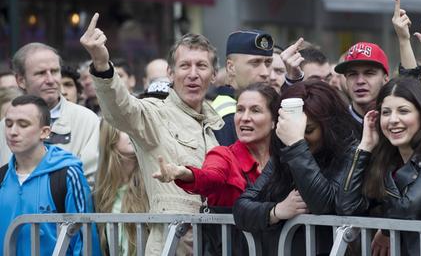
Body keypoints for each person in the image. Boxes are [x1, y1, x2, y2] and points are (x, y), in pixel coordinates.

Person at [80, 13, 223, 255]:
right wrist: (102, 64)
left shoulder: (216, 126)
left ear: (214, 75)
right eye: (184, 65)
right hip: (170, 244)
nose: (192, 74)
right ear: (170, 73)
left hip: (214, 241)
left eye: (201, 66)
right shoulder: (155, 113)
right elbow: (121, 108)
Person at [336, 77, 421, 256]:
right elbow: (346, 207)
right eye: (386, 112)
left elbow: (409, 206)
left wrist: (385, 230)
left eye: (403, 111)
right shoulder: (383, 158)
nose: (393, 120)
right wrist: (364, 148)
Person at [234, 79, 359, 256]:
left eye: (308, 130)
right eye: (293, 130)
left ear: (328, 127)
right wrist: (275, 211)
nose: (300, 136)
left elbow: (322, 206)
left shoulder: (350, 152)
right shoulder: (284, 154)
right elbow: (242, 207)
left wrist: (296, 144)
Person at [153, 82, 278, 255]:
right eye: (240, 110)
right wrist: (185, 174)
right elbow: (210, 177)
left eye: (255, 110)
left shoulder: (284, 159)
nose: (244, 117)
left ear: (274, 121)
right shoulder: (223, 155)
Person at [0, 95, 100, 255]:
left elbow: (84, 240)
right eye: (8, 124)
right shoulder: (2, 176)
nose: (13, 132)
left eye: (23, 125)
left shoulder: (67, 174)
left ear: (45, 132)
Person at [0, 43, 100, 186]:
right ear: (21, 80)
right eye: (40, 73)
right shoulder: (4, 127)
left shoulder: (86, 121)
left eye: (54, 71)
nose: (51, 80)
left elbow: (90, 184)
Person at [94, 119, 149, 256]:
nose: (133, 133)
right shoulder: (100, 191)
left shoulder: (152, 184)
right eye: (125, 129)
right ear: (109, 135)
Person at [212, 30, 274, 146]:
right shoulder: (228, 115)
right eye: (255, 63)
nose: (265, 72)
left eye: (268, 63)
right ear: (231, 67)